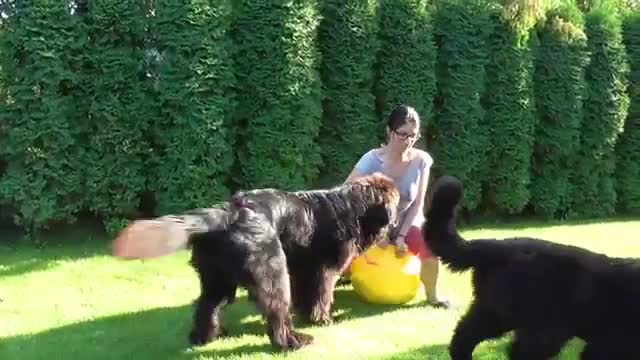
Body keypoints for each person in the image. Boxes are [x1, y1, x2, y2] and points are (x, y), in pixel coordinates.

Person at [345, 104, 450, 309]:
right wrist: (376, 233)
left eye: (413, 135)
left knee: (429, 240)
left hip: (406, 219)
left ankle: (433, 297)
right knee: (339, 245)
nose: (408, 141)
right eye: (402, 134)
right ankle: (335, 281)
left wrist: (401, 236)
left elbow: (417, 203)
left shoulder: (422, 160)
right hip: (372, 223)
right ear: (389, 131)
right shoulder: (372, 159)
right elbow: (346, 192)